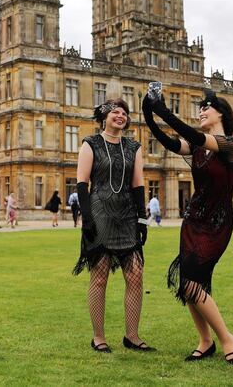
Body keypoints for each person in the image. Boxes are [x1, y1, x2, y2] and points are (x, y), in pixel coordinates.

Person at [143, 87, 233, 364]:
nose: (201, 111)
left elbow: (192, 135)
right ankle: (205, 340)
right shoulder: (199, 147)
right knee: (190, 282)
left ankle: (227, 339)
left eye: (205, 108)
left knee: (192, 280)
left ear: (220, 113)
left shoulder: (230, 146)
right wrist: (149, 115)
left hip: (217, 223)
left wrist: (162, 109)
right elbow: (172, 143)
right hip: (193, 221)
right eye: (199, 108)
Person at [73, 98, 153, 353]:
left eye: (124, 113)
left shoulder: (134, 147)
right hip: (100, 214)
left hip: (127, 214)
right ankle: (98, 337)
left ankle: (132, 336)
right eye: (115, 112)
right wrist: (86, 219)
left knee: (136, 275)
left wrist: (142, 218)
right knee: (99, 277)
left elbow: (139, 184)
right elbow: (82, 184)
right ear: (104, 117)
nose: (121, 116)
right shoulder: (91, 144)